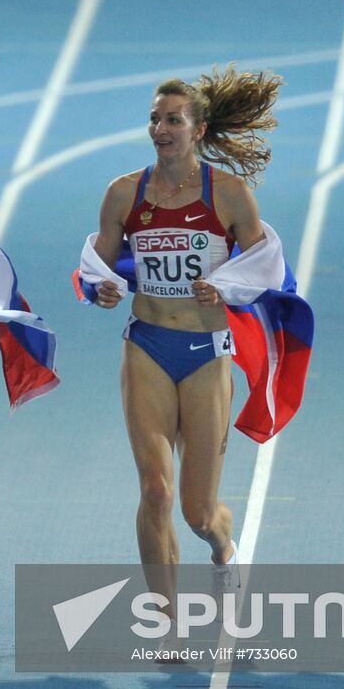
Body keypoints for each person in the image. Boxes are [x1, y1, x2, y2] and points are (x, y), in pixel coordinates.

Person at [85, 70, 281, 656]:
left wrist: (226, 286)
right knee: (153, 491)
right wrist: (100, 289)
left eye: (173, 120)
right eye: (154, 119)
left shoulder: (229, 195)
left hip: (205, 356)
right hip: (146, 344)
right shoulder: (125, 193)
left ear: (197, 130)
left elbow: (266, 268)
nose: (160, 129)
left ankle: (224, 550)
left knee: (197, 512)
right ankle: (165, 619)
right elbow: (97, 266)